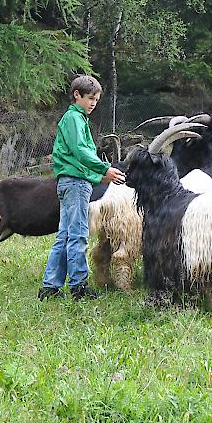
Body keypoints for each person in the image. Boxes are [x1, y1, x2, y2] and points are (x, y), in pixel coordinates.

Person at [38, 75, 126, 301]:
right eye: (90, 98)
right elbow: (81, 152)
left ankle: (50, 286)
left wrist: (99, 176)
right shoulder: (74, 119)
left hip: (73, 181)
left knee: (65, 234)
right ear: (77, 95)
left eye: (96, 99)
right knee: (78, 235)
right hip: (75, 185)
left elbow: (78, 159)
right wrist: (104, 169)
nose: (93, 103)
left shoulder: (76, 119)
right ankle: (79, 286)